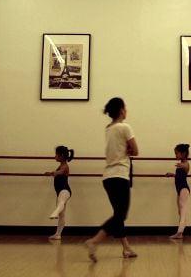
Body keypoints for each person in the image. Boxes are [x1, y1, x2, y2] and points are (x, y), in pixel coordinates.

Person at [85, 97, 139, 261]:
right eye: (125, 107)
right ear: (121, 110)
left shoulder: (108, 128)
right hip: (119, 176)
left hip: (108, 177)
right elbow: (135, 150)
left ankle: (126, 248)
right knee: (121, 215)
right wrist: (129, 149)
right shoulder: (125, 127)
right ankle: (94, 241)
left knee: (118, 213)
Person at [45, 145, 74, 240]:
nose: (55, 156)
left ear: (61, 155)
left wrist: (53, 173)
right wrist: (51, 173)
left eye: (56, 154)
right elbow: (58, 173)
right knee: (62, 214)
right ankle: (58, 234)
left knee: (60, 203)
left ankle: (55, 213)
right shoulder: (61, 165)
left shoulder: (65, 166)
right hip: (60, 191)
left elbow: (61, 172)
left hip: (65, 190)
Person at [165, 143, 190, 239]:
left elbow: (186, 168)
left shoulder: (186, 163)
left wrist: (182, 166)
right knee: (180, 211)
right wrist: (172, 174)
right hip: (179, 190)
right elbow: (180, 176)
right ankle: (181, 232)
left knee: (183, 210)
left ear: (183, 154)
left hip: (184, 189)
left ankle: (180, 232)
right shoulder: (180, 164)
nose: (175, 155)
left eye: (177, 153)